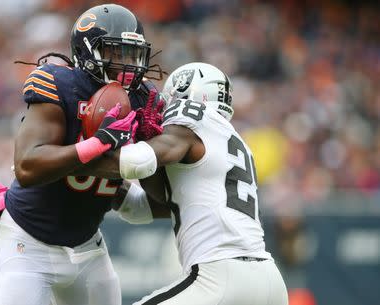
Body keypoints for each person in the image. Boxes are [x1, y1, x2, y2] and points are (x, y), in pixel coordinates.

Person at [0, 4, 161, 305]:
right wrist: (97, 144)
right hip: (27, 242)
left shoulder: (142, 99)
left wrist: (155, 154)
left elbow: (150, 194)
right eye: (116, 53)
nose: (127, 64)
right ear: (87, 52)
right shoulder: (60, 84)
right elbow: (27, 166)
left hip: (87, 246)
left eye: (132, 54)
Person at [91, 62, 289, 305]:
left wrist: (78, 156)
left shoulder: (194, 116)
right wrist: (104, 185)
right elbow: (144, 207)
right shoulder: (232, 143)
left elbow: (139, 161)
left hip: (222, 275)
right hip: (269, 281)